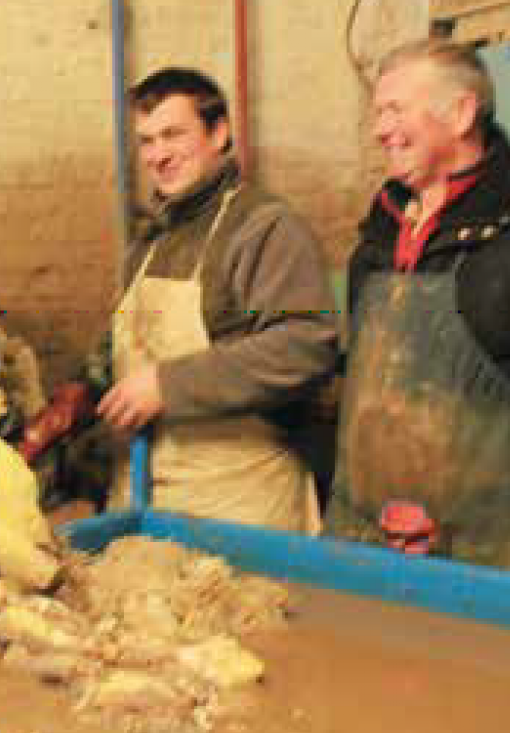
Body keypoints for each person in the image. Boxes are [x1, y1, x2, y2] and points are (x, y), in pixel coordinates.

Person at [44, 67, 339, 532]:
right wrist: (83, 390)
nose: (158, 155)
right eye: (146, 141)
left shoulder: (262, 227)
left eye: (173, 135)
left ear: (219, 133)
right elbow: (127, 345)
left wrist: (169, 385)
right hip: (146, 496)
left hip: (239, 505)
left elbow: (305, 345)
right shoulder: (148, 244)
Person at [327, 38, 510, 579]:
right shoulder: (377, 240)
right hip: (373, 542)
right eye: (377, 113)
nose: (378, 131)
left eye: (395, 109)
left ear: (462, 113)